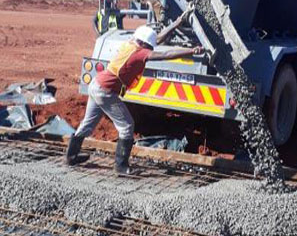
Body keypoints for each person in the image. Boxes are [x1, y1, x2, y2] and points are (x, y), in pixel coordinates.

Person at [67, 10, 202, 173]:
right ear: (145, 44)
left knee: (88, 123)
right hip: (105, 91)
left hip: (96, 84)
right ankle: (121, 166)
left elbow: (157, 39)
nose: (151, 47)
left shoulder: (131, 44)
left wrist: (178, 22)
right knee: (127, 126)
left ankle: (71, 156)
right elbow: (166, 53)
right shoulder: (140, 53)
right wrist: (191, 51)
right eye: (150, 45)